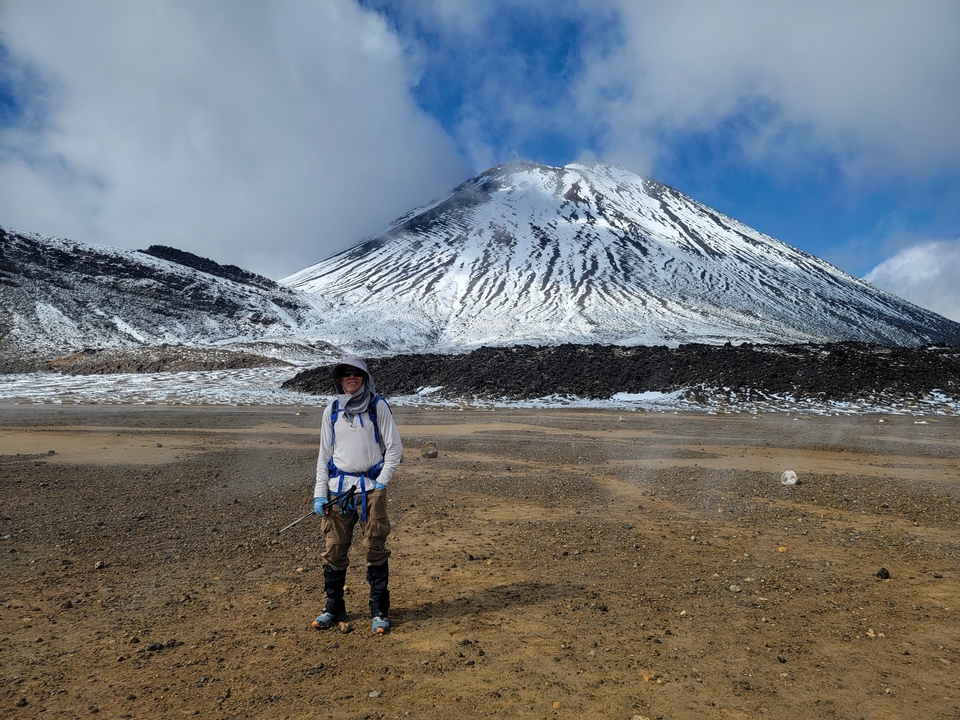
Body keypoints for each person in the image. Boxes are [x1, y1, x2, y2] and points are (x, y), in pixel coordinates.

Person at [312, 354, 402, 635]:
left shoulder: (378, 407)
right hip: (338, 493)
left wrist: (381, 483)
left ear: (365, 378)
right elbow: (324, 455)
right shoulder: (332, 411)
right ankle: (333, 607)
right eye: (346, 373)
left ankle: (379, 610)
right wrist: (320, 494)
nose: (352, 378)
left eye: (357, 373)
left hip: (370, 492)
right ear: (339, 379)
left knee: (374, 548)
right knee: (334, 549)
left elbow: (394, 449)